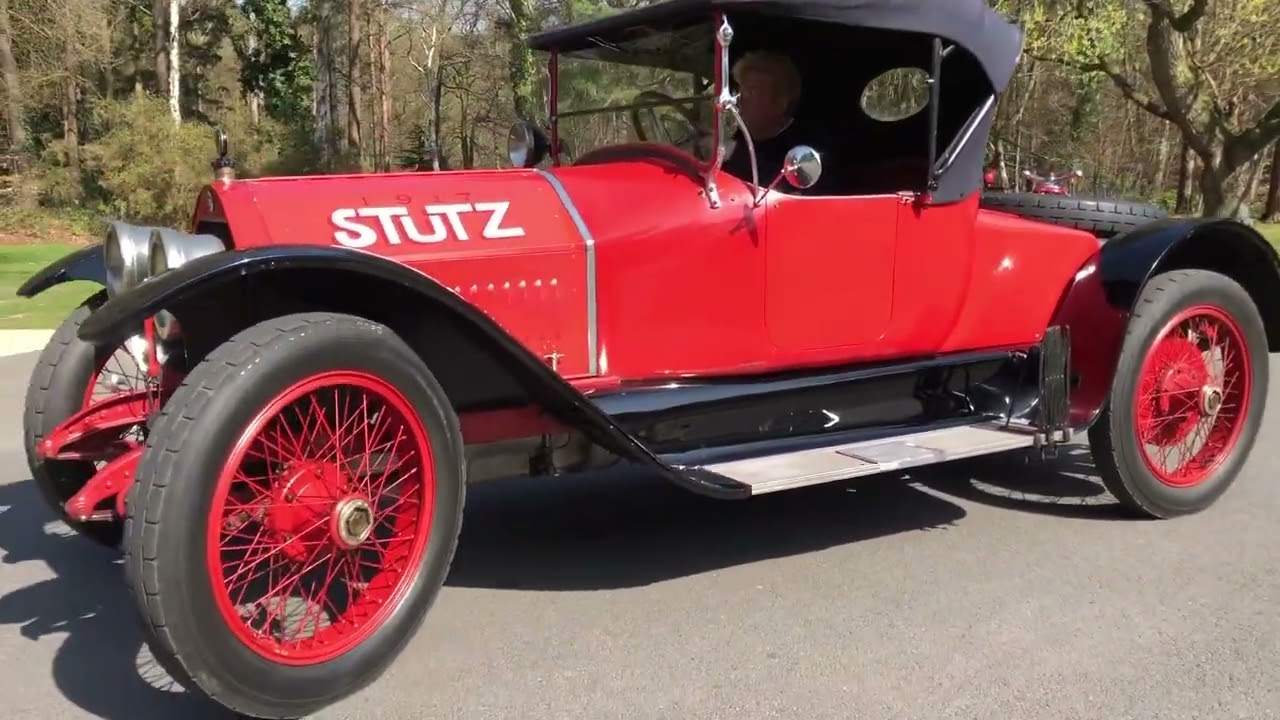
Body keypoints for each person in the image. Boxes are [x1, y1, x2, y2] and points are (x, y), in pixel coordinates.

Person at [720, 50, 824, 189]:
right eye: (740, 90)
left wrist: (733, 153)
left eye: (752, 91)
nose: (739, 100)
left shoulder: (803, 149)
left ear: (779, 103)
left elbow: (777, 187)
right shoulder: (744, 136)